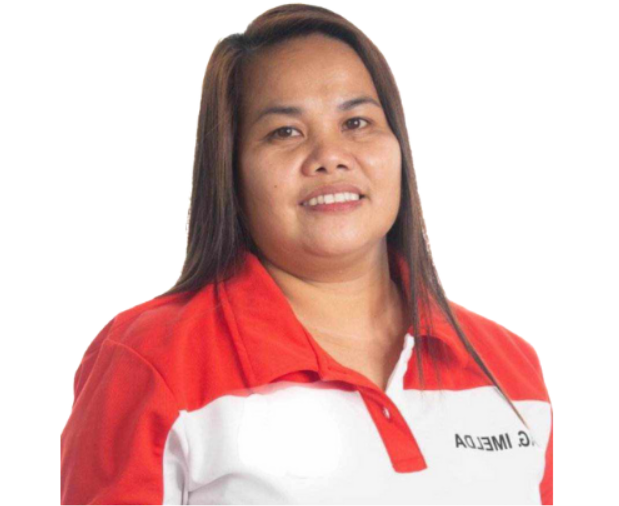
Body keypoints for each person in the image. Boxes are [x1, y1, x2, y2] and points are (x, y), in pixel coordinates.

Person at [60, 4, 553, 505]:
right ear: (230, 170)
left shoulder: (509, 368)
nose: (330, 156)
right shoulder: (152, 360)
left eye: (357, 122)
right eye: (285, 132)